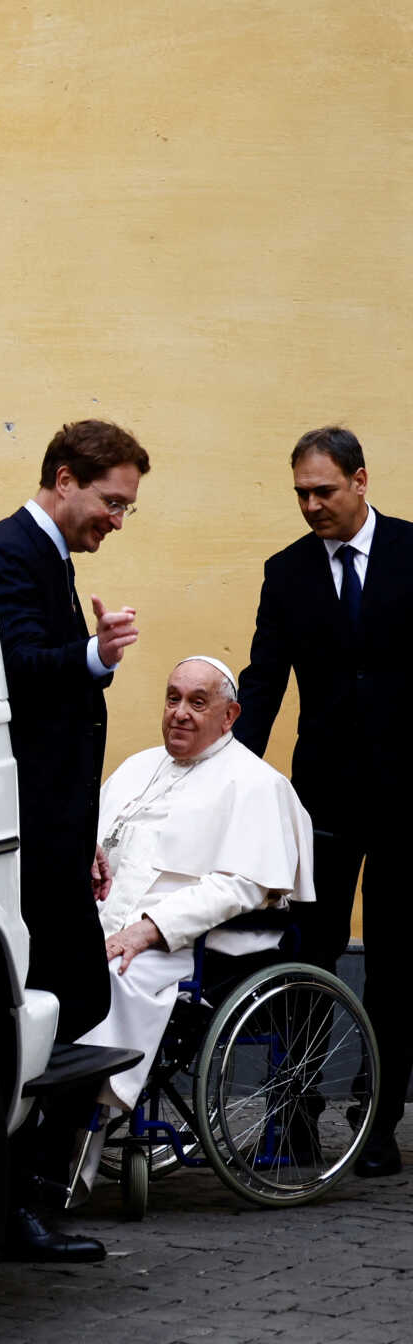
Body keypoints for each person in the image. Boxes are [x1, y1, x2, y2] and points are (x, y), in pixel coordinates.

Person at [0, 418, 149, 1261]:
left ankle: (24, 1195)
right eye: (111, 502)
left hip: (54, 833)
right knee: (59, 1005)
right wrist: (92, 655)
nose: (116, 521)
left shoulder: (43, 554)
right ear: (64, 478)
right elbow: (16, 668)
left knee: (68, 1003)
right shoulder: (9, 551)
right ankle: (16, 1201)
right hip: (27, 838)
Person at [234, 425, 409, 1176]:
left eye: (324, 491)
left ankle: (378, 1119)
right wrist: (231, 781)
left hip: (408, 794)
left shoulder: (411, 553)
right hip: (324, 796)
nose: (311, 505)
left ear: (361, 480)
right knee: (311, 949)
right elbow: (265, 681)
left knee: (401, 960)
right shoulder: (288, 572)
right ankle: (295, 1113)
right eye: (301, 493)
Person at [79, 657, 314, 1124]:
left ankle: (81, 1124)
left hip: (199, 946)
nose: (180, 712)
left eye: (197, 702)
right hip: (108, 926)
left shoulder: (256, 785)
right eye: (173, 698)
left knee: (109, 979)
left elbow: (239, 887)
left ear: (229, 717)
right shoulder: (136, 767)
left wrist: (150, 931)